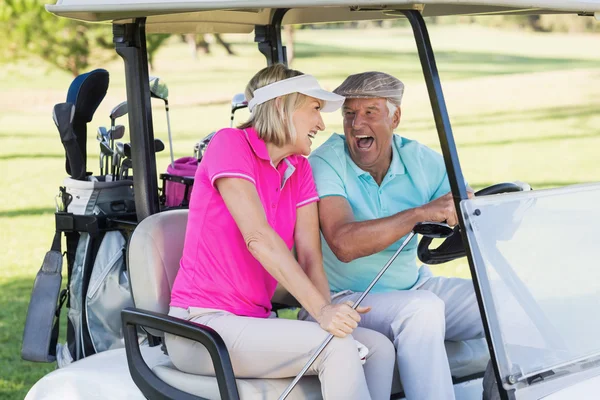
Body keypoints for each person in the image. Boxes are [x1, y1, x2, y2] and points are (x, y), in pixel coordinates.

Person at [165, 64, 395, 400]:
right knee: (336, 348)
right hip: (203, 325)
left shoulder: (298, 168)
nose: (321, 123)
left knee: (379, 349)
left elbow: (308, 254)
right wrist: (322, 313)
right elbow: (259, 238)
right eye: (314, 109)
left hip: (253, 322)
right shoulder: (229, 144)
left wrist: (324, 310)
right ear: (280, 105)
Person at [303, 71, 484, 400]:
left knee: (501, 299)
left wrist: (467, 207)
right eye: (349, 114)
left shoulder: (419, 158)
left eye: (370, 112)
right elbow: (343, 243)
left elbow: (460, 203)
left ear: (395, 116)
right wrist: (418, 214)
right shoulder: (326, 162)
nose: (357, 125)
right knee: (422, 310)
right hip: (347, 299)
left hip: (413, 285)